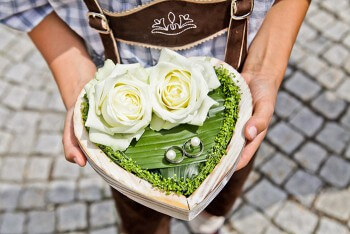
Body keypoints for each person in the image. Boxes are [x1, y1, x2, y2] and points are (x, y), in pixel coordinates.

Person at [0, 0, 311, 233]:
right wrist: (77, 79)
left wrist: (266, 68)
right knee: (140, 219)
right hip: (125, 134)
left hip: (235, 97)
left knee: (226, 188)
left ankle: (212, 216)